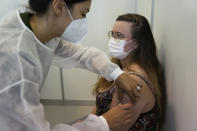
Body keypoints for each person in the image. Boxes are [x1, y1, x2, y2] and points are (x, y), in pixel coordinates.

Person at [0, 0, 141, 131]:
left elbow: (80, 55)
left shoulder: (37, 30)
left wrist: (116, 73)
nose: (84, 21)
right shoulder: (18, 59)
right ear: (59, 7)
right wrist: (102, 124)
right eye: (83, 13)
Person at [91, 14, 164, 131]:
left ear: (135, 44)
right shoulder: (117, 67)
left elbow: (115, 126)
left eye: (119, 36)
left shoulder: (133, 82)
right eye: (112, 34)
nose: (113, 40)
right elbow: (98, 108)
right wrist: (87, 120)